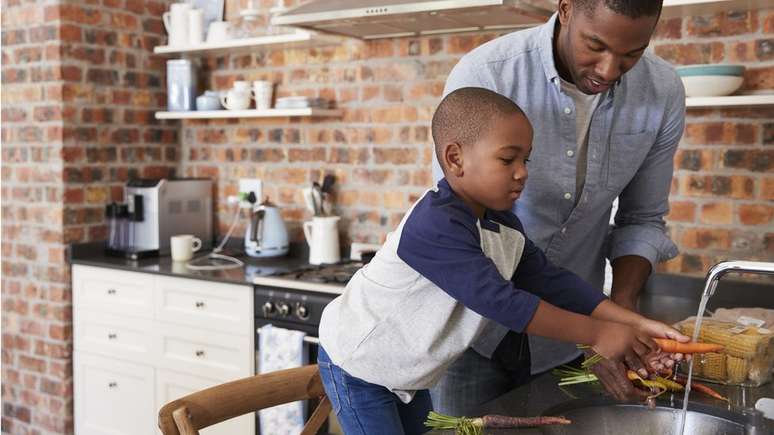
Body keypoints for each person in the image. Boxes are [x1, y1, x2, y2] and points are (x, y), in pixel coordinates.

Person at [317, 87, 687, 434]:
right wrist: (600, 333)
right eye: (508, 158)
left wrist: (633, 321)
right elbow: (502, 303)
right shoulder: (436, 224)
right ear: (455, 158)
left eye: (525, 159)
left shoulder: (499, 222)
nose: (522, 171)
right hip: (359, 366)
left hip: (405, 374)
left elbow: (547, 279)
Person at [431, 0, 686, 413]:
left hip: (565, 346)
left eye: (631, 54)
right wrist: (594, 332)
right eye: (595, 45)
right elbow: (467, 236)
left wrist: (621, 315)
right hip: (472, 335)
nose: (608, 70)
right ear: (566, 9)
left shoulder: (663, 92)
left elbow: (641, 218)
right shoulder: (489, 74)